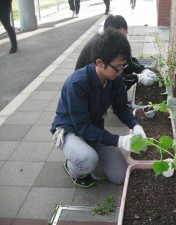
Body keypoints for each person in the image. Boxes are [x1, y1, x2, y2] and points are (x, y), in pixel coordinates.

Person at [50, 28, 147, 188]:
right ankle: (73, 166)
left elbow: (121, 108)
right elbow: (82, 126)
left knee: (121, 176)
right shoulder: (77, 84)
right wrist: (119, 140)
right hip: (70, 131)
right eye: (117, 67)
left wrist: (135, 125)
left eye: (123, 66)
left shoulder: (114, 79)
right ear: (99, 63)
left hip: (93, 130)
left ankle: (89, 154)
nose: (121, 71)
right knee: (88, 160)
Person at [75, 15, 158, 90]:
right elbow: (111, 72)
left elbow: (128, 60)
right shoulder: (103, 45)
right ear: (112, 32)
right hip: (90, 83)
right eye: (121, 35)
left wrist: (142, 70)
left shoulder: (112, 40)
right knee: (118, 73)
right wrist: (138, 78)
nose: (123, 39)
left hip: (102, 75)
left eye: (125, 35)